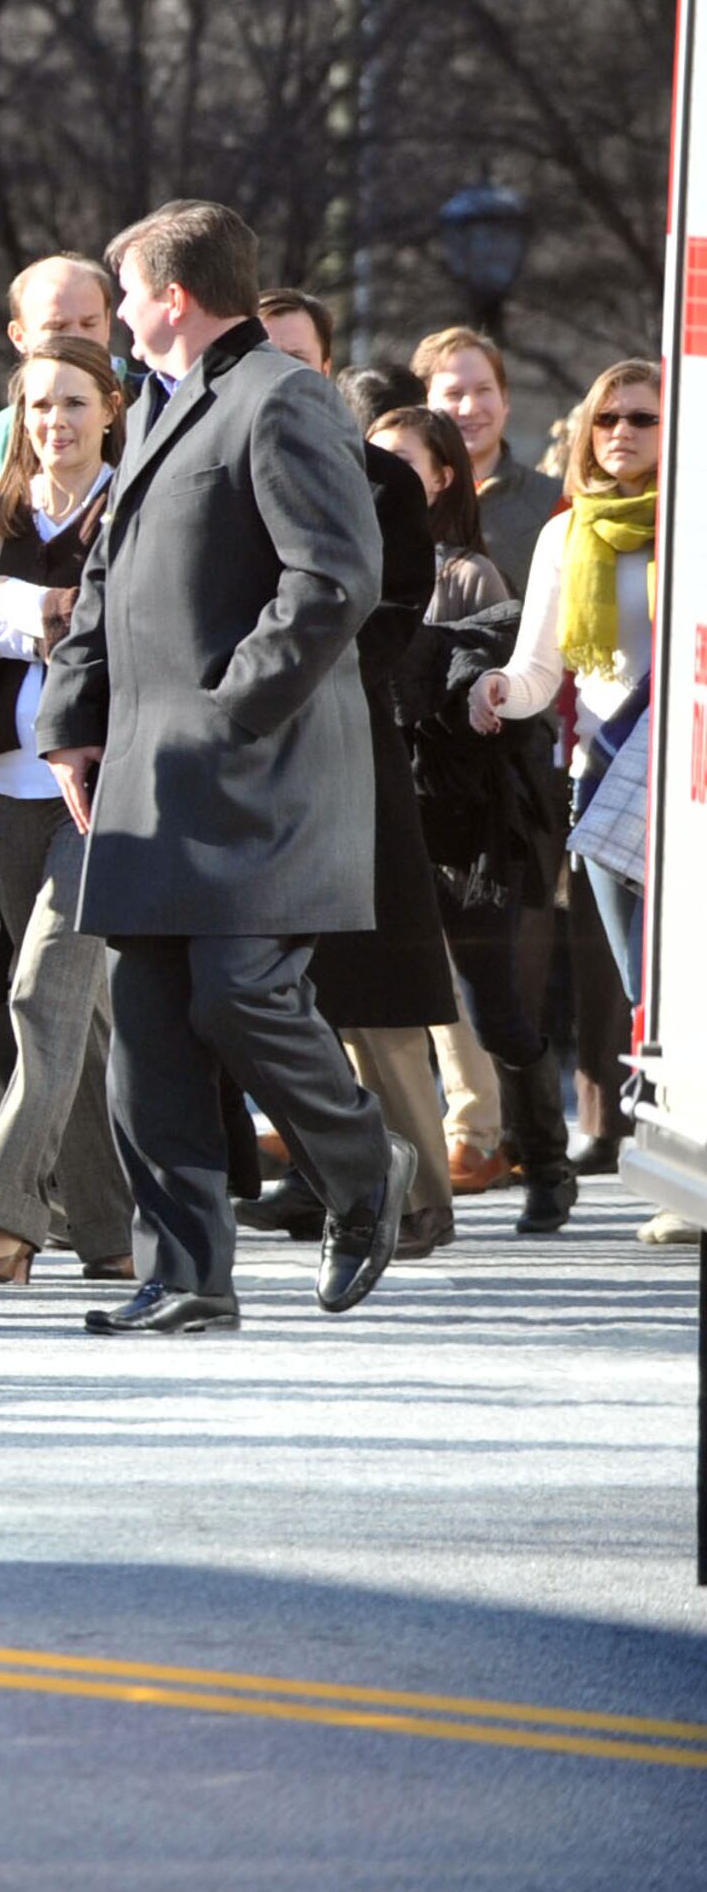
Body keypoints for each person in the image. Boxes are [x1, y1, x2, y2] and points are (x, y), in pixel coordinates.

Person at [39, 201, 402, 1336]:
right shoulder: (161, 408)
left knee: (238, 992)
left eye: (129, 291)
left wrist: (231, 706)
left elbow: (334, 579)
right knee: (147, 1029)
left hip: (259, 770)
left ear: (174, 297)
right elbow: (105, 584)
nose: (122, 314)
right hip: (150, 775)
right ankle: (189, 1273)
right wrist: (72, 720)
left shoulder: (282, 397)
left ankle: (361, 1164)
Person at [250, 292, 460, 1260]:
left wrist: (297, 684)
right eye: (269, 348)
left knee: (374, 996)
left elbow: (396, 610)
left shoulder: (379, 478)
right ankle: (327, 1179)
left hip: (344, 751)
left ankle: (418, 1198)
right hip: (253, 756)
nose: (284, 365)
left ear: (328, 364)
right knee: (285, 991)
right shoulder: (232, 464)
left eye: (300, 350)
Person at [0, 332, 134, 1285]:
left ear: (111, 411)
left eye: (74, 403)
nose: (55, 422)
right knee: (72, 1026)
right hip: (5, 791)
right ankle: (109, 1232)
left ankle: (3, 1221)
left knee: (38, 994)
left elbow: (121, 625)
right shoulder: (0, 506)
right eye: (39, 406)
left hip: (107, 790)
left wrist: (11, 602)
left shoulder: (131, 504)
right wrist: (29, 614)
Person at [368, 405, 576, 1240]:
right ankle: (389, 1172)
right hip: (387, 808)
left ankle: (546, 1160)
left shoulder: (466, 573)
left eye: (397, 461)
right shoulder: (360, 562)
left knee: (489, 1007)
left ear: (442, 475)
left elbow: (471, 688)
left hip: (463, 822)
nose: (375, 475)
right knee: (384, 1002)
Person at [475, 360, 662, 1012]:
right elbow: (537, 669)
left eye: (642, 417)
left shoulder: (691, 527)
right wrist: (498, 687)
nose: (620, 431)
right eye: (606, 418)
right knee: (643, 990)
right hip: (604, 775)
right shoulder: (565, 532)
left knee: (669, 981)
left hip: (685, 788)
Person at [0, 255, 137, 522]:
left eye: (89, 324)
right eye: (57, 328)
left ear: (107, 323)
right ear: (19, 337)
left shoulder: (157, 408)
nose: (77, 340)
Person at [414, 327, 561, 602]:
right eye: (454, 394)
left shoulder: (555, 503)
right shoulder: (404, 500)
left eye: (483, 390)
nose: (470, 407)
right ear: (424, 404)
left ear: (505, 400)